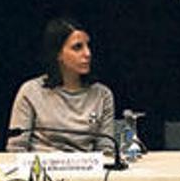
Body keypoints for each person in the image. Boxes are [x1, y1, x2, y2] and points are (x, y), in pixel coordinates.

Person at [6, 18, 115, 152]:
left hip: (86, 171)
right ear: (58, 54)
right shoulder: (30, 91)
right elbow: (16, 148)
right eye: (77, 47)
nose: (87, 53)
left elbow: (107, 149)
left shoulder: (102, 94)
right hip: (40, 170)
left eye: (88, 46)